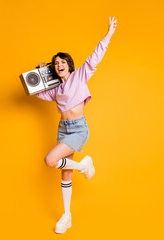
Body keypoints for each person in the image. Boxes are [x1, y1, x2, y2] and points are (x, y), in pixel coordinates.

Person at [35, 16, 118, 234]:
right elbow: (37, 92)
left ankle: (84, 166)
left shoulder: (79, 77)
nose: (59, 65)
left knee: (51, 160)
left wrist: (108, 35)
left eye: (62, 62)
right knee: (65, 174)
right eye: (56, 63)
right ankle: (67, 215)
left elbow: (93, 59)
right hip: (63, 130)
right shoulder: (55, 90)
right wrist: (41, 72)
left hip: (79, 129)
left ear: (69, 65)